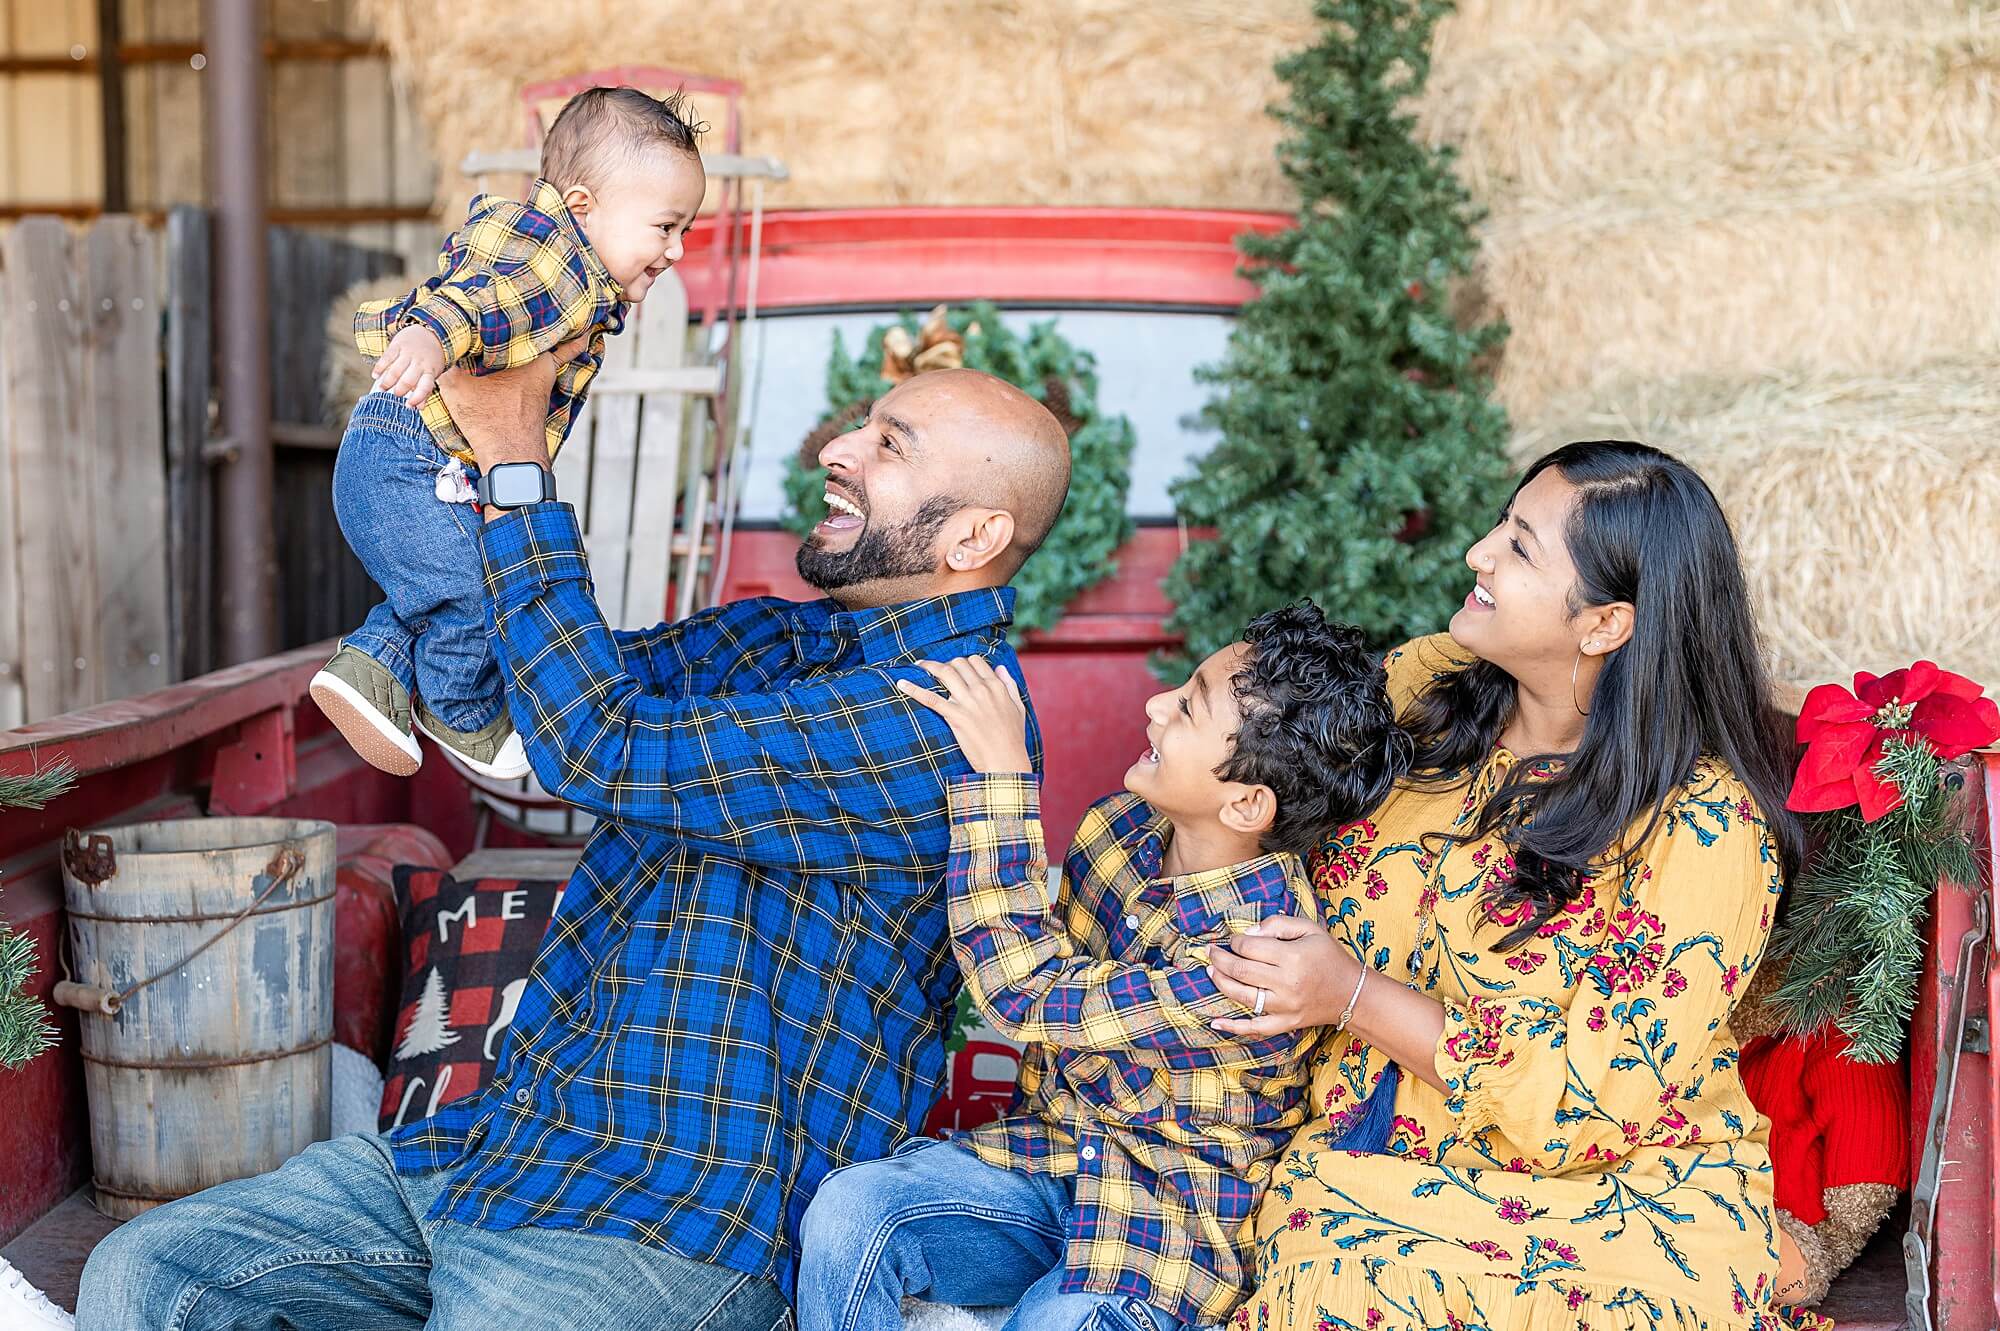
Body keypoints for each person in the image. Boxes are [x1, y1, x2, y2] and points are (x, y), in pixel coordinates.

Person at [76, 361, 1073, 1331]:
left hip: (676, 1214)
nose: (838, 448)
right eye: (860, 425)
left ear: (973, 534)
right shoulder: (773, 636)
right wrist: (448, 487)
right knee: (149, 1268)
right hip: (497, 1153)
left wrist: (517, 464)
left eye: (887, 445)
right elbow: (543, 681)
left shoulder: (941, 717)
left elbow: (595, 741)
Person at [1202, 441, 1804, 1331]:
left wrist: (1353, 994)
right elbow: (1235, 769)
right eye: (1501, 523)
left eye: (1520, 546)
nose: (1478, 552)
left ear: (1606, 624)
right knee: (1308, 1252)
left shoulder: (1705, 828)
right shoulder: (1425, 690)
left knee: (1350, 1273)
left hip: (1610, 1203)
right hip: (1364, 1149)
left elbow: (1586, 1106)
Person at [798, 602, 1412, 1331]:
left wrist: (1002, 774)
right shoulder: (1115, 829)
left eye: (1187, 708)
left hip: (1162, 1231)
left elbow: (1024, 991)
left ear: (1247, 803)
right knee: (850, 1212)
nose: (1156, 705)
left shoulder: (1258, 955)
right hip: (1047, 1156)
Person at [310, 86, 708, 781]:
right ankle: (461, 709)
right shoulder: (557, 265)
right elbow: (486, 297)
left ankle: (371, 666)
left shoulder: (575, 279)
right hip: (408, 458)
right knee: (484, 588)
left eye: (685, 232)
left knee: (456, 584)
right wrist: (434, 334)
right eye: (665, 227)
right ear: (584, 207)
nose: (676, 251)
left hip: (424, 464)